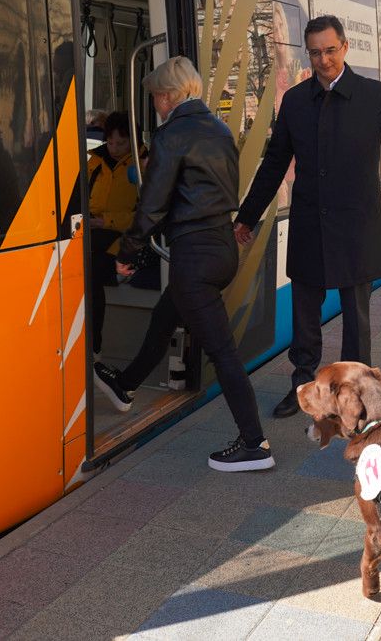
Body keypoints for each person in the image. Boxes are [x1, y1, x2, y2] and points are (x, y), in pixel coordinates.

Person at [93, 57, 273, 472]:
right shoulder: (219, 128)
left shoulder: (172, 134)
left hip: (193, 255)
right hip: (221, 247)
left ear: (168, 95)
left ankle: (254, 443)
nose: (156, 104)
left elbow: (152, 204)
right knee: (165, 315)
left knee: (223, 353)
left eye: (156, 96)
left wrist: (127, 252)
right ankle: (125, 384)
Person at [233, 15, 381, 418]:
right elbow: (275, 163)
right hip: (310, 226)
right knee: (305, 319)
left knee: (356, 322)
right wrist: (247, 216)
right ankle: (302, 387)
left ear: (345, 48)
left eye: (330, 50)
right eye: (316, 53)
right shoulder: (295, 100)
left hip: (355, 227)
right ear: (308, 54)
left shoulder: (373, 95)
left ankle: (356, 395)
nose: (324, 59)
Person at [86, 111, 137, 356]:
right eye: (111, 142)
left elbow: (147, 212)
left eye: (122, 143)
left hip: (123, 236)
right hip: (93, 232)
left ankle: (93, 344)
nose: (115, 149)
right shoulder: (94, 162)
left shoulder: (144, 164)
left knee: (92, 273)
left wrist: (105, 221)